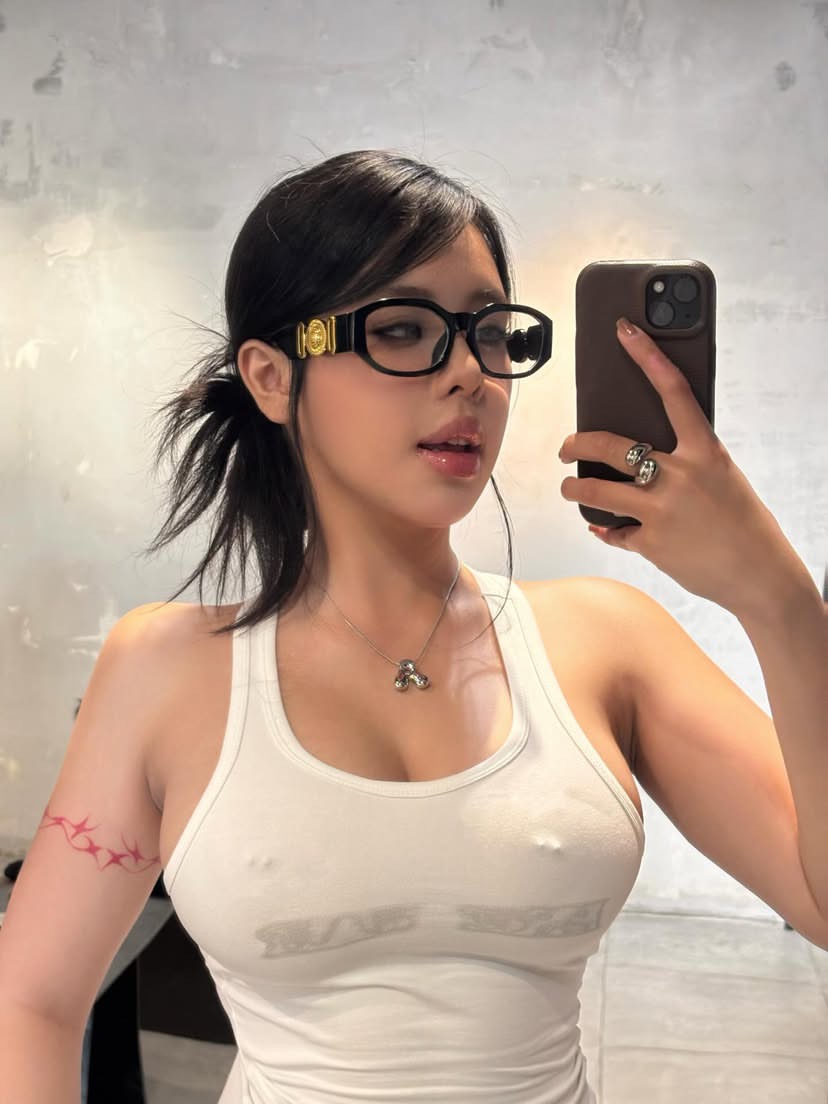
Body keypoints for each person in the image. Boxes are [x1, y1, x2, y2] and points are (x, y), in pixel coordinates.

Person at [0, 149, 824, 1104]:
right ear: (271, 377)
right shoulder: (164, 668)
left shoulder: (610, 643)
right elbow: (33, 999)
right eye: (402, 329)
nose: (470, 373)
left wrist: (781, 602)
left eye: (492, 333)